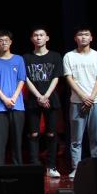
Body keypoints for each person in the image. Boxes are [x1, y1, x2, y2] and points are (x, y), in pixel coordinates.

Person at [63, 27, 97, 178]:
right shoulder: (69, 56)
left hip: (96, 101)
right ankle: (77, 168)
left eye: (86, 35)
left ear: (91, 38)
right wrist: (83, 96)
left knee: (95, 138)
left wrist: (91, 97)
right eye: (80, 35)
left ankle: (96, 167)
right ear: (75, 38)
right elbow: (69, 78)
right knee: (76, 139)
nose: (83, 37)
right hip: (77, 101)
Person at [24, 27, 64, 176]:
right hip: (33, 100)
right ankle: (35, 165)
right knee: (34, 134)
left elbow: (56, 77)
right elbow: (26, 79)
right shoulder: (26, 57)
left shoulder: (55, 56)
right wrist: (38, 96)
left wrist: (46, 95)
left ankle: (51, 166)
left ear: (47, 38)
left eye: (41, 35)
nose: (39, 37)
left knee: (51, 134)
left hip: (51, 99)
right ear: (31, 39)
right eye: (35, 35)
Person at [0, 30, 27, 166]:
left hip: (17, 104)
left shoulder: (19, 59)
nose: (4, 43)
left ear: (11, 42)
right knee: (0, 141)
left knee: (17, 140)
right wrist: (5, 99)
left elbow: (22, 79)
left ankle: (18, 169)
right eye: (0, 41)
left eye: (6, 40)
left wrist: (14, 98)